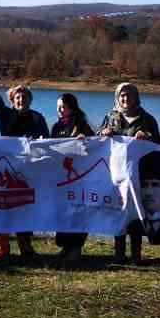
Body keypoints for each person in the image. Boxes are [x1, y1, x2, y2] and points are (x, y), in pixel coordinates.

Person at [0, 55, 49, 260]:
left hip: (29, 169)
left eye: (24, 97)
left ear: (29, 99)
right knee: (3, 208)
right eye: (17, 98)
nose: (21, 100)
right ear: (12, 100)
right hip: (6, 169)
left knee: (26, 207)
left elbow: (47, 141)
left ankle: (26, 246)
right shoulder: (5, 114)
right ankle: (2, 246)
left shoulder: (38, 117)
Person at [98, 82, 160, 263]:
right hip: (115, 174)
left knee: (135, 212)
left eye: (129, 95)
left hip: (139, 173)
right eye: (122, 95)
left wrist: (146, 136)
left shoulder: (146, 118)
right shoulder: (110, 116)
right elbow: (97, 137)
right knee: (118, 210)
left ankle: (136, 254)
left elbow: (158, 142)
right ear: (117, 97)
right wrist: (103, 132)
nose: (125, 99)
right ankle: (118, 252)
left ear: (136, 97)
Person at [50, 92, 94, 264]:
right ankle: (65, 247)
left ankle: (76, 248)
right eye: (58, 108)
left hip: (79, 178)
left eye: (63, 107)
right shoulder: (55, 127)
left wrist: (87, 141)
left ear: (72, 107)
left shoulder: (82, 126)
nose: (60, 110)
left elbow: (94, 149)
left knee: (77, 211)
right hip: (61, 178)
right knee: (62, 212)